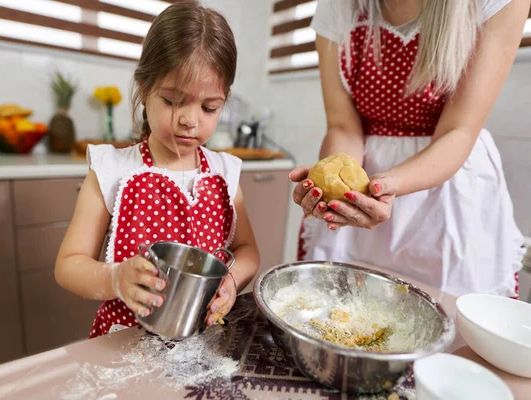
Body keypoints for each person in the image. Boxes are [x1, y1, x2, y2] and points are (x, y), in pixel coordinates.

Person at [291, 0, 529, 297]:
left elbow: (459, 130)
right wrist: (342, 187)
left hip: (448, 190)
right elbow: (343, 124)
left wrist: (388, 185)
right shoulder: (339, 6)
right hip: (367, 176)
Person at [55, 2, 259, 338]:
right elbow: (68, 265)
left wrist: (231, 281)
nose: (189, 120)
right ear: (143, 87)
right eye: (173, 101)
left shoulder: (225, 173)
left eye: (209, 107)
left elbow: (247, 251)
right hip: (124, 342)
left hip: (201, 342)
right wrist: (114, 279)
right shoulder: (112, 171)